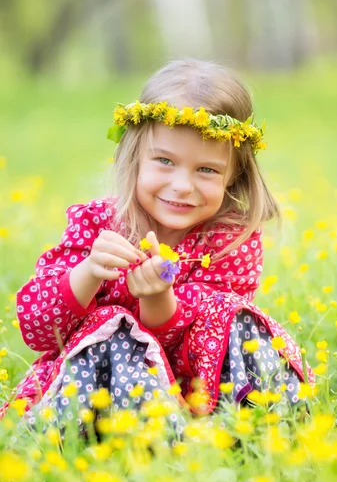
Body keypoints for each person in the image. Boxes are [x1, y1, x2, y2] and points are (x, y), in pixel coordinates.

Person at [2, 58, 314, 437]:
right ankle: (98, 442)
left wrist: (157, 298)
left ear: (234, 176)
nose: (182, 185)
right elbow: (36, 330)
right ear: (134, 157)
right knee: (113, 326)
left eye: (207, 170)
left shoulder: (229, 243)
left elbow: (193, 341)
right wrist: (87, 272)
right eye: (164, 161)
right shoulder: (98, 226)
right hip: (96, 399)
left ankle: (262, 432)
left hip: (199, 400)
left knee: (234, 315)